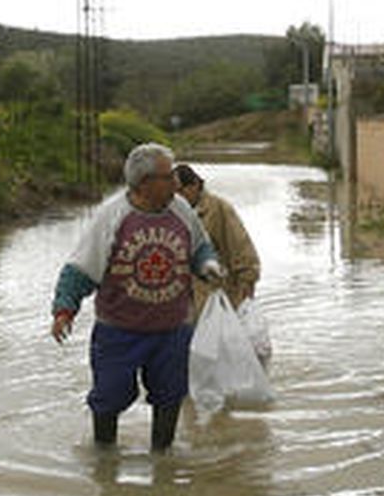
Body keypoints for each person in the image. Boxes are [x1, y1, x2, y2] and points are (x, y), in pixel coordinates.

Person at [51, 142, 223, 451]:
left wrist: (207, 265)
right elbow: (81, 268)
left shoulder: (181, 210)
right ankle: (104, 460)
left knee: (170, 395)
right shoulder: (112, 216)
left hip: (172, 330)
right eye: (167, 177)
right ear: (144, 183)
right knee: (109, 396)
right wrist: (64, 309)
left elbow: (200, 247)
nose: (175, 183)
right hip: (119, 331)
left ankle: (163, 461)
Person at [174, 163, 260, 319]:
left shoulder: (220, 209)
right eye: (173, 193)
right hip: (186, 303)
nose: (177, 197)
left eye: (180, 191)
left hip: (218, 297)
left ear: (195, 185)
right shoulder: (173, 212)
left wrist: (247, 287)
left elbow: (242, 249)